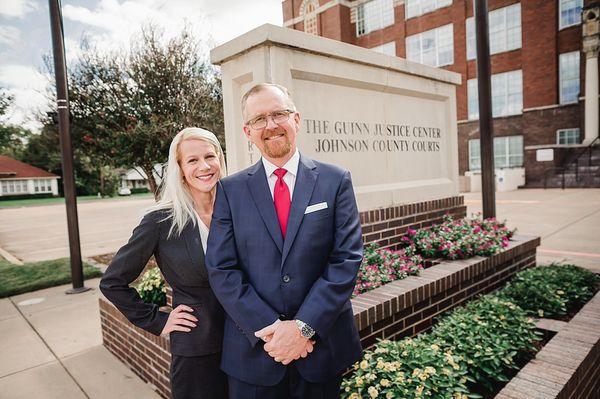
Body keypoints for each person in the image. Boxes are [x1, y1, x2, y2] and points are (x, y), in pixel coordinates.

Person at [206, 83, 363, 398]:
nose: (271, 125)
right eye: (260, 119)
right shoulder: (230, 191)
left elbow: (346, 259)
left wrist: (304, 327)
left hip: (322, 351)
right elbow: (222, 268)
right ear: (248, 132)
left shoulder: (335, 181)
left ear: (297, 120)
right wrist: (274, 331)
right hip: (254, 356)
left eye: (279, 114)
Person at [100, 127, 228, 399]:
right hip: (197, 350)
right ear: (180, 168)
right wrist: (157, 320)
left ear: (220, 159)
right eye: (192, 160)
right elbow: (113, 282)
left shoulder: (236, 210)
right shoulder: (160, 220)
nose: (204, 166)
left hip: (245, 344)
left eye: (210, 156)